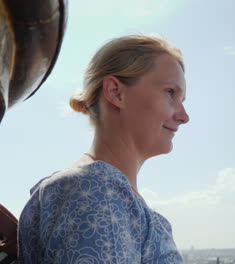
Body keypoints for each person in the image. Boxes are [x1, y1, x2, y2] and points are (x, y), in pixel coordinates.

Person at [18, 35, 190, 263]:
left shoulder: (102, 192)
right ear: (116, 92)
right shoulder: (97, 190)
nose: (184, 116)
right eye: (170, 93)